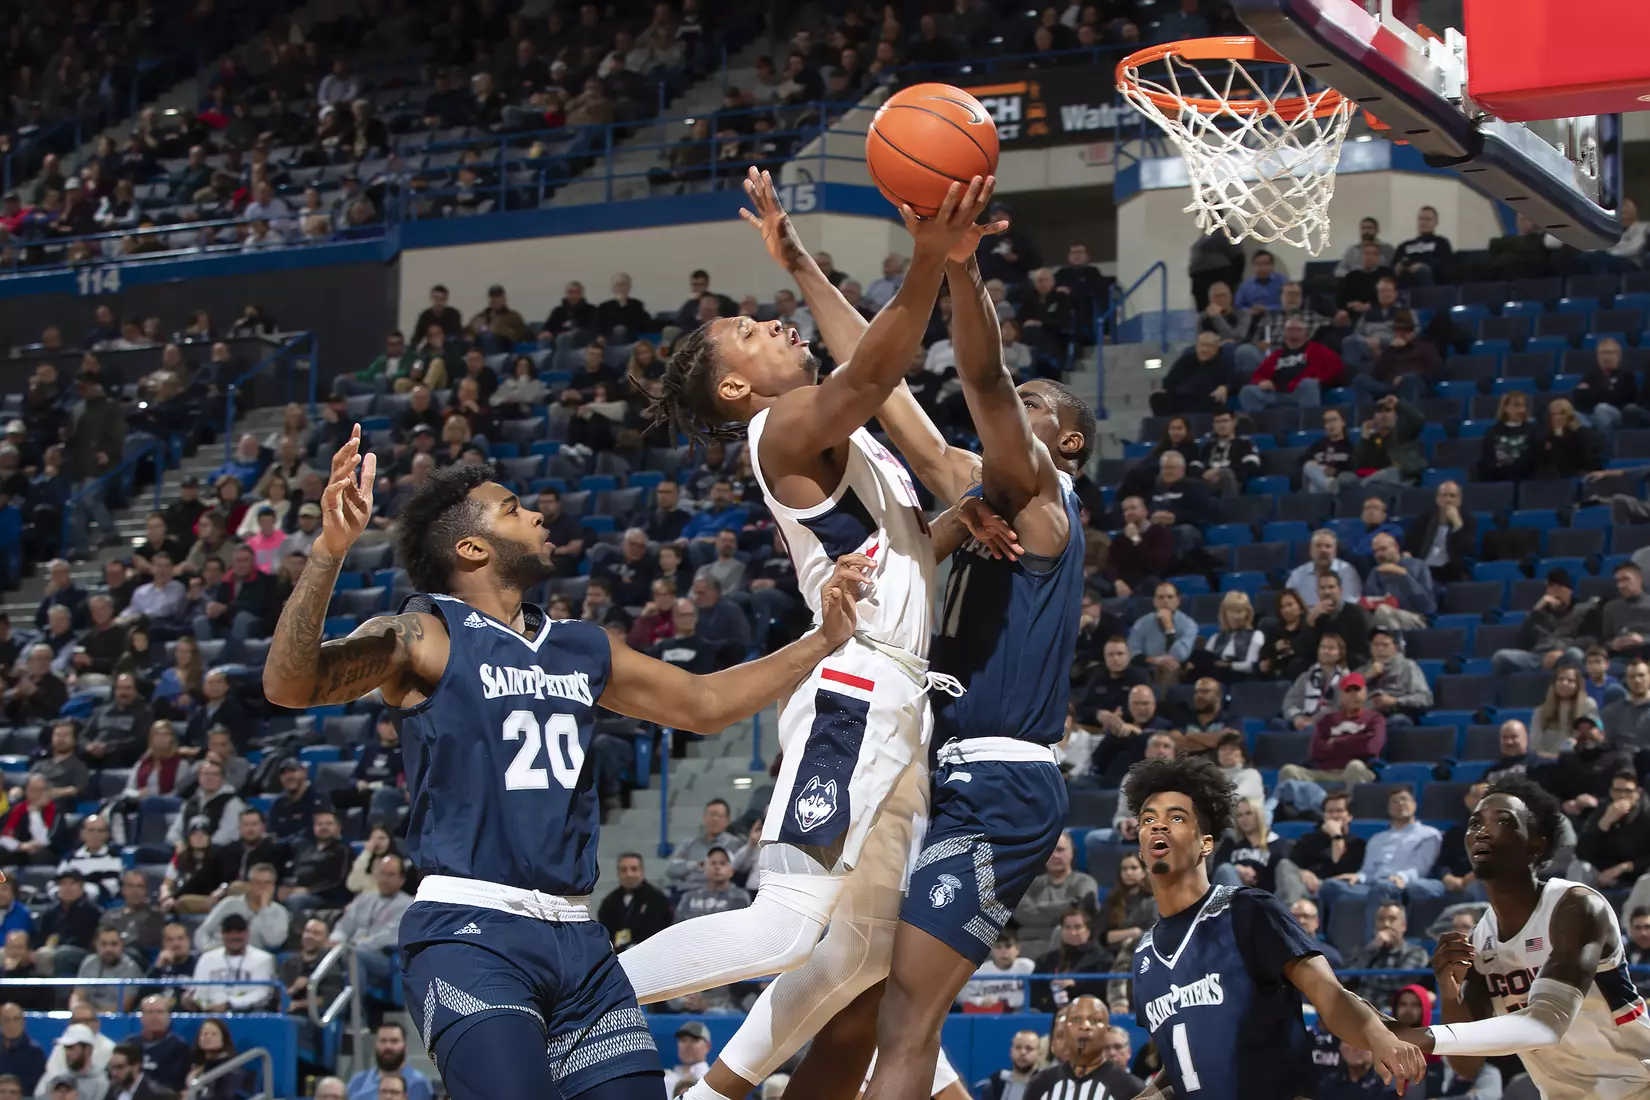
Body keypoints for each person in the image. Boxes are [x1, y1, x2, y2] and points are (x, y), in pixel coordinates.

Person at [262, 430, 866, 1100]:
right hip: (472, 932)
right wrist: (327, 553)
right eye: (515, 508)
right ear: (470, 548)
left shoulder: (578, 645)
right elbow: (292, 685)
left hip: (579, 942)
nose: (539, 514)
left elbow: (705, 702)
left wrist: (823, 639)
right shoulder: (426, 633)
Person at [611, 169, 994, 1047]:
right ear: (738, 389)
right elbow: (877, 365)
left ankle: (722, 1085)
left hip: (901, 698)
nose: (777, 323)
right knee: (783, 927)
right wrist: (929, 260)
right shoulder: (779, 430)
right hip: (856, 692)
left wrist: (955, 525)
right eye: (751, 331)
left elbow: (899, 550)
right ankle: (574, 992)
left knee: (865, 953)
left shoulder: (832, 433)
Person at [1120, 756, 1425, 1098]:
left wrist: (1377, 1034)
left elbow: (1330, 996)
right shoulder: (1144, 956)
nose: (1158, 826)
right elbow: (1186, 1064)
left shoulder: (1247, 910)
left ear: (1206, 843)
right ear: (1142, 850)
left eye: (1176, 817)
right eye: (1148, 819)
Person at [1394, 775, 1650, 1098]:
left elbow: (1546, 1025)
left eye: (1502, 821)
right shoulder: (1480, 940)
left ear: (1536, 845)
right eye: (1474, 823)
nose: (1482, 831)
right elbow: (1466, 1066)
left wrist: (1417, 1036)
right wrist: (1448, 990)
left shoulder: (1575, 906)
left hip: (1639, 1085)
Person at [1020, 996, 1141, 1099]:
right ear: (1064, 1031)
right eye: (1076, 1020)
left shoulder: (1131, 1088)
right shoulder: (1041, 1083)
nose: (1085, 1026)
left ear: (1107, 1032)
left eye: (1094, 1020)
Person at [184, 914, 275, 1013]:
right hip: (209, 1013)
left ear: (247, 933)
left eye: (239, 931)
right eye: (229, 932)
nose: (234, 936)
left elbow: (262, 994)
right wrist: (195, 1001)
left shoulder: (263, 959)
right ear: (222, 934)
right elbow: (198, 990)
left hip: (248, 1014)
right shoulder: (207, 958)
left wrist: (230, 1004)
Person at [597, 853, 672, 953]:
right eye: (624, 870)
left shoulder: (657, 899)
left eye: (634, 869)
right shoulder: (609, 902)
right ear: (618, 874)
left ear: (642, 872)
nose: (629, 874)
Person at [346, 1024, 432, 1100]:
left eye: (394, 1041)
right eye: (383, 1041)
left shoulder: (421, 1084)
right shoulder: (357, 1082)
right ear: (376, 1045)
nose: (388, 1046)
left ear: (405, 1046)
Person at [971, 1030, 1042, 1100]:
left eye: (1029, 1048)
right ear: (1011, 1051)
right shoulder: (997, 1083)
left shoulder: (1045, 1083)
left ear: (1039, 1053)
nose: (1023, 1052)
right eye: (1018, 1047)